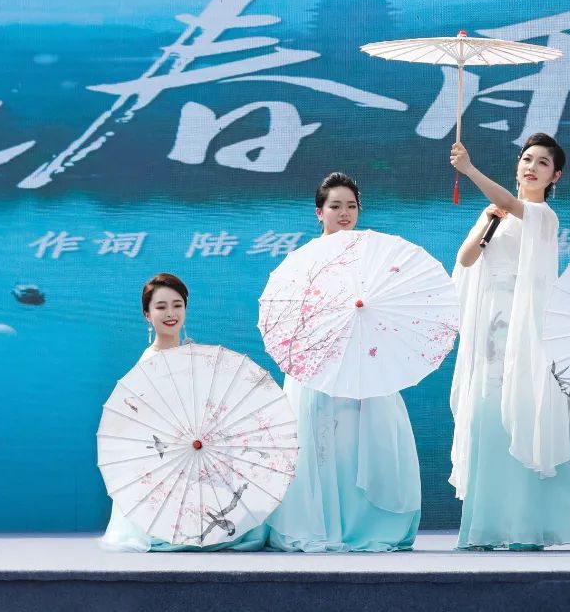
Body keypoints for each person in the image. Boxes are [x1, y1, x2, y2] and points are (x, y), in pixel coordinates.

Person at [448, 134, 570, 550]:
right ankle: (493, 526)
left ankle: (538, 525)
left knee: (534, 415)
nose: (531, 167)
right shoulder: (495, 213)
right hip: (493, 328)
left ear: (554, 176)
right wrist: (487, 224)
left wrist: (469, 170)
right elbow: (466, 259)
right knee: (490, 415)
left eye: (543, 163)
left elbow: (515, 205)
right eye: (527, 159)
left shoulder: (543, 216)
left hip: (529, 330)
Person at [266, 172, 421, 552]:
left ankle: (362, 525)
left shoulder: (374, 255)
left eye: (351, 206)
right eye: (335, 206)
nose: (344, 213)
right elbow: (292, 314)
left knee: (359, 441)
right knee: (321, 444)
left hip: (364, 360)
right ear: (319, 212)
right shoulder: (303, 261)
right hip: (317, 361)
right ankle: (322, 524)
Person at [100, 273, 267, 552]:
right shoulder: (149, 363)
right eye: (161, 307)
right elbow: (144, 424)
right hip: (167, 455)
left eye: (177, 305)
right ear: (147, 315)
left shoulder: (191, 353)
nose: (170, 313)